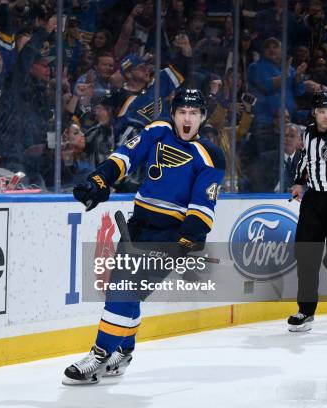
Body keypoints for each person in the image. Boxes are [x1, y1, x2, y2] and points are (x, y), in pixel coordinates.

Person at [63, 89, 225, 385]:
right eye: (182, 113)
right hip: (138, 225)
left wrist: (188, 239)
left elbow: (204, 204)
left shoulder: (210, 155)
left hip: (168, 235)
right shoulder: (157, 131)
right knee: (124, 289)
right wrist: (100, 180)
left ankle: (100, 355)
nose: (187, 119)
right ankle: (122, 351)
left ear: (202, 118)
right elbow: (126, 156)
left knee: (124, 291)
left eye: (193, 114)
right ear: (173, 114)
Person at [287, 91, 327, 333]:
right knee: (306, 255)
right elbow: (305, 160)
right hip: (314, 200)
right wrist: (298, 183)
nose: (326, 116)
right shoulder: (308, 133)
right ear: (315, 114)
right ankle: (306, 311)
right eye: (322, 112)